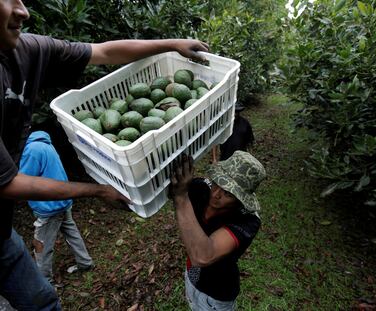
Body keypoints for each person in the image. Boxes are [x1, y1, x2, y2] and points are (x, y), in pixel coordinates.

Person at [0, 0, 209, 309]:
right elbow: (7, 183)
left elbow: (103, 52)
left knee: (43, 303)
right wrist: (96, 190)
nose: (23, 10)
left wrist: (171, 45)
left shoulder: (26, 48)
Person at [170, 151, 266, 310]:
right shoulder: (201, 187)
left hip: (216, 294)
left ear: (241, 198)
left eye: (228, 193)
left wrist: (181, 197)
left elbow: (202, 255)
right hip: (192, 276)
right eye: (217, 183)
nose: (215, 194)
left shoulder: (248, 220)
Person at [19, 130, 95, 284]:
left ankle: (45, 282)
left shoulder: (32, 150)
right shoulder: (43, 143)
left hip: (50, 207)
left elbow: (23, 182)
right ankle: (85, 263)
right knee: (72, 233)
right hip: (63, 201)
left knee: (41, 246)